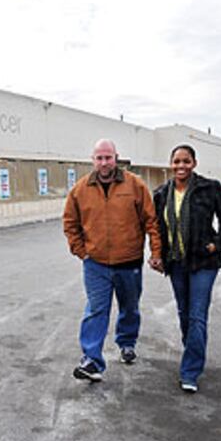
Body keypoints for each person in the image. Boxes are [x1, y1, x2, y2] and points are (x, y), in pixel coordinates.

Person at [63, 139, 163, 382]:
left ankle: (127, 343)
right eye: (99, 158)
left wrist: (156, 253)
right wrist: (81, 251)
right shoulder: (80, 190)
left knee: (129, 307)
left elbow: (152, 221)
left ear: (116, 158)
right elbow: (70, 223)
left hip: (129, 262)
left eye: (108, 157)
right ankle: (92, 361)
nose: (104, 162)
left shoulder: (135, 185)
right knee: (96, 310)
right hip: (96, 264)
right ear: (93, 160)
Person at [153, 144, 221, 393]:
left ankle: (190, 371)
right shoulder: (161, 193)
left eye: (186, 161)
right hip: (177, 264)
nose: (181, 166)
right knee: (184, 315)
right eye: (177, 162)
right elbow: (157, 229)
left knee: (197, 316)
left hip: (204, 264)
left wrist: (215, 246)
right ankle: (194, 351)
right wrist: (156, 255)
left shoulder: (209, 188)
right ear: (171, 164)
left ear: (194, 163)